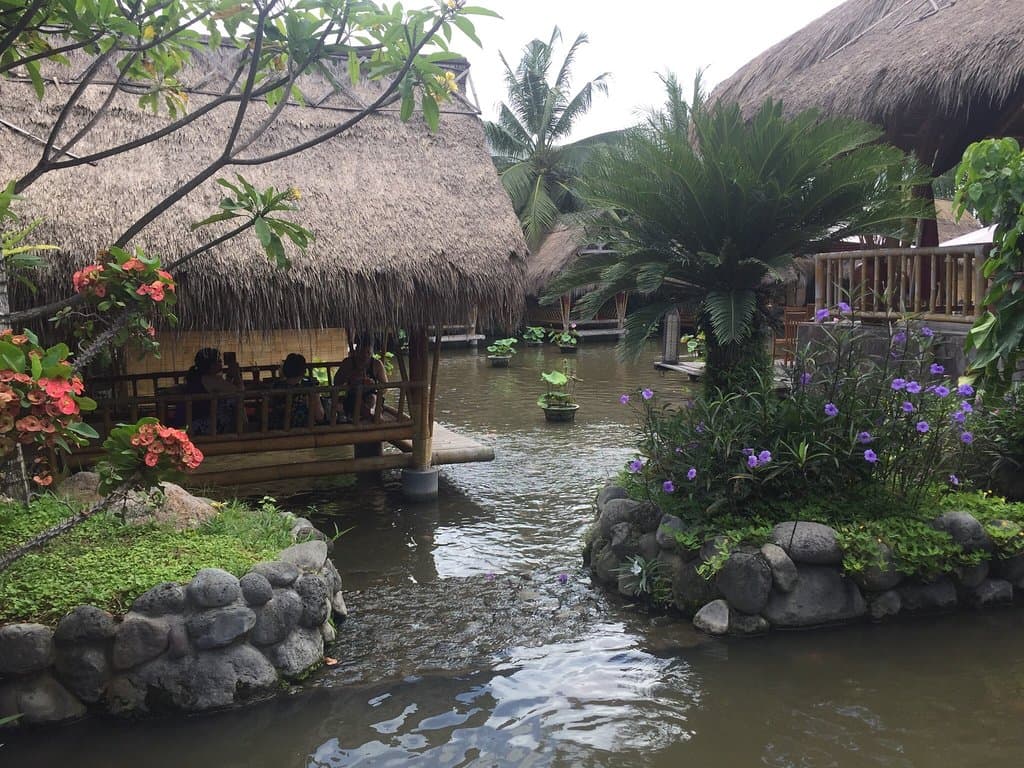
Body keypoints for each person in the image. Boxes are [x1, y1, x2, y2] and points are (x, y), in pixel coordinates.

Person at [182, 347, 244, 435]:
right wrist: (237, 374)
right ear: (211, 365)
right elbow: (240, 392)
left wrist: (230, 377)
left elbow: (225, 388)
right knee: (233, 403)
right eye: (219, 360)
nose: (221, 362)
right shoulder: (210, 379)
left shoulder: (199, 377)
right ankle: (243, 428)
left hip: (191, 422)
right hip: (202, 425)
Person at [334, 336, 387, 422]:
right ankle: (372, 416)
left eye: (368, 353)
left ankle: (372, 415)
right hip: (352, 397)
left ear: (372, 352)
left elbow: (385, 388)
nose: (365, 356)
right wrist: (349, 377)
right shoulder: (348, 363)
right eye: (362, 352)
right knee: (356, 401)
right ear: (357, 350)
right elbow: (336, 382)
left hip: (371, 397)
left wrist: (374, 385)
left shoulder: (376, 364)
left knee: (373, 398)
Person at [270, 353, 325, 429]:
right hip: (304, 430)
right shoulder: (309, 386)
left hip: (277, 430)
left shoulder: (275, 386)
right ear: (303, 370)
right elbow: (319, 416)